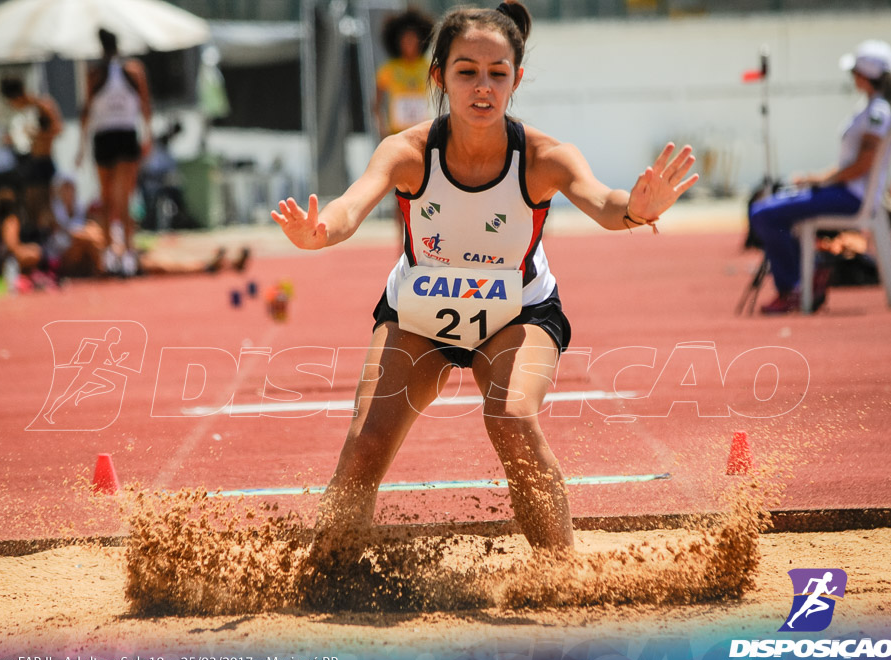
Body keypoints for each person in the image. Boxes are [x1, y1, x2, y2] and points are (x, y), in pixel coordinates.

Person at [272, 0, 697, 563]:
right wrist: (319, 232)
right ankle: (325, 570)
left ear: (516, 79)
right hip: (418, 315)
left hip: (517, 315)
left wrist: (638, 209)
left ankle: (558, 573)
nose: (482, 87)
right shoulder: (408, 152)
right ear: (439, 76)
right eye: (466, 71)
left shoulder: (544, 156)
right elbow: (349, 208)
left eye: (498, 74)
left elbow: (603, 203)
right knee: (365, 443)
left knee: (512, 419)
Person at [749, 40, 891, 314]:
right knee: (776, 206)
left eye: (854, 71)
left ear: (865, 74)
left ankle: (793, 288)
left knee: (763, 213)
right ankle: (805, 280)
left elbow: (862, 166)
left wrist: (821, 181)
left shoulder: (878, 111)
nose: (852, 77)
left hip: (851, 197)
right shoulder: (873, 107)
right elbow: (853, 165)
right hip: (846, 192)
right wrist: (816, 179)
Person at [77, 28, 153, 278]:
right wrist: (148, 136)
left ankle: (116, 252)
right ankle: (123, 252)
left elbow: (86, 111)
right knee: (120, 199)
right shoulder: (127, 70)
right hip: (121, 135)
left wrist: (81, 146)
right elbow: (145, 106)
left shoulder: (98, 73)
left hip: (108, 137)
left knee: (111, 199)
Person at [0, 75, 63, 232]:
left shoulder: (42, 105)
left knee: (45, 209)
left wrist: (36, 135)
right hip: (30, 162)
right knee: (31, 210)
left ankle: (49, 244)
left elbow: (58, 129)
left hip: (43, 162)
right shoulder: (26, 111)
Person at [374, 8, 435, 139]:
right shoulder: (388, 69)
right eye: (406, 40)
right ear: (398, 42)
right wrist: (381, 128)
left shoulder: (429, 67)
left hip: (424, 133)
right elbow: (376, 103)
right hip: (397, 134)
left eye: (413, 39)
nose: (409, 44)